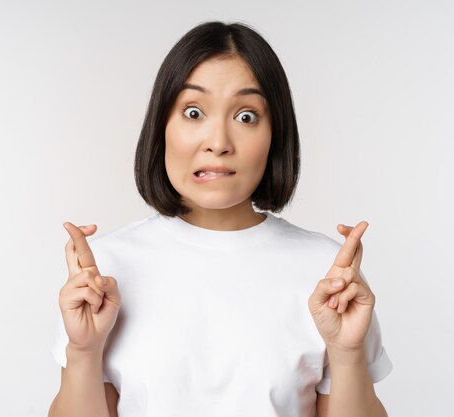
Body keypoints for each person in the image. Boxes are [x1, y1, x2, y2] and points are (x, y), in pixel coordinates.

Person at [48, 20, 393, 417]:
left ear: (275, 135)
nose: (218, 142)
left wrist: (348, 355)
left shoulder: (328, 273)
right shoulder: (105, 270)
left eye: (246, 116)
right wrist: (83, 351)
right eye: (193, 112)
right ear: (162, 126)